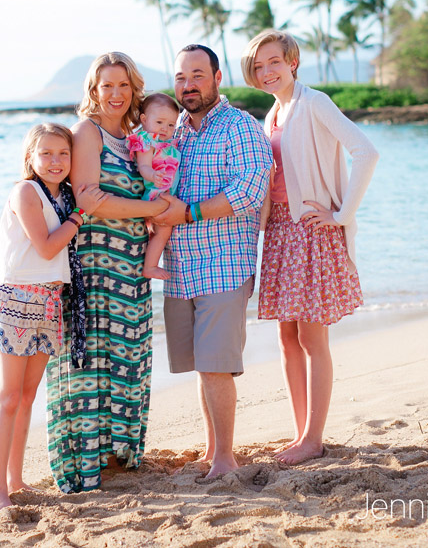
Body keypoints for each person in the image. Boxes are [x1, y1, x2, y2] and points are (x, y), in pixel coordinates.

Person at [241, 29, 379, 465]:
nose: (267, 72)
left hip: (310, 231)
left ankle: (313, 438)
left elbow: (366, 151)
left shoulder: (314, 102)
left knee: (311, 336)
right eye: (258, 66)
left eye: (274, 63)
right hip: (280, 232)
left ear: (292, 62)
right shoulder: (273, 114)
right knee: (286, 337)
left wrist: (341, 215)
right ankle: (301, 433)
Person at [46, 52, 169, 493]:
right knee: (91, 355)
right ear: (93, 91)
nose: (115, 94)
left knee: (127, 351)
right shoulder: (87, 132)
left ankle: (120, 452)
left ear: (134, 89)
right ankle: (87, 458)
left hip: (132, 266)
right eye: (106, 86)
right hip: (95, 265)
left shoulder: (137, 137)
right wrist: (152, 207)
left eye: (123, 86)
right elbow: (89, 198)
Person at [154, 44, 273, 479]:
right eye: (181, 77)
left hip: (224, 265)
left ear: (217, 78)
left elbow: (249, 191)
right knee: (202, 368)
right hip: (180, 268)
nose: (188, 85)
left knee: (217, 365)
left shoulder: (240, 126)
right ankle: (211, 448)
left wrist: (189, 212)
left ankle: (226, 457)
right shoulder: (174, 130)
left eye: (197, 75)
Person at [0, 122, 106, 514]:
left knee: (27, 396)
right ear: (30, 158)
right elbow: (46, 246)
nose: (56, 162)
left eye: (63, 154)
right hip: (18, 299)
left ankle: (17, 479)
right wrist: (79, 218)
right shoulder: (26, 192)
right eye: (47, 154)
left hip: (50, 301)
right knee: (7, 397)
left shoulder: (65, 196)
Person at [126, 92, 182, 280]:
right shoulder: (146, 141)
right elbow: (143, 166)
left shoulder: (166, 143)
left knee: (159, 232)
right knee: (163, 231)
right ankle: (150, 267)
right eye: (160, 122)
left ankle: (149, 261)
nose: (165, 128)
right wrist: (153, 176)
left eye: (171, 124)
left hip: (164, 193)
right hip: (154, 193)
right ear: (144, 119)